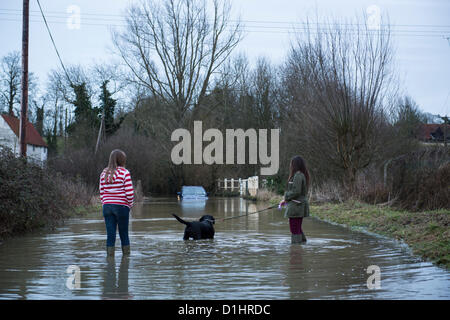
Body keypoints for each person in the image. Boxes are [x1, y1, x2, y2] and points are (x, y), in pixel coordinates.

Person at [99, 149, 134, 257]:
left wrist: (105, 203)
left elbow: (101, 191)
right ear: (122, 160)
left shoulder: (104, 173)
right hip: (121, 207)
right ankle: (126, 259)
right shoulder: (125, 173)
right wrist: (130, 204)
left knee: (110, 235)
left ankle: (110, 260)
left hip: (107, 207)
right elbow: (129, 193)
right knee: (124, 235)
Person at [279, 155, 310, 244]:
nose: (290, 166)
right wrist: (285, 200)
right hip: (296, 205)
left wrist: (286, 197)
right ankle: (302, 245)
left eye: (291, 164)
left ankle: (296, 250)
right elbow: (296, 192)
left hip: (297, 206)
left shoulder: (298, 175)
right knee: (297, 228)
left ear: (295, 165)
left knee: (294, 229)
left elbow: (296, 191)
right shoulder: (299, 175)